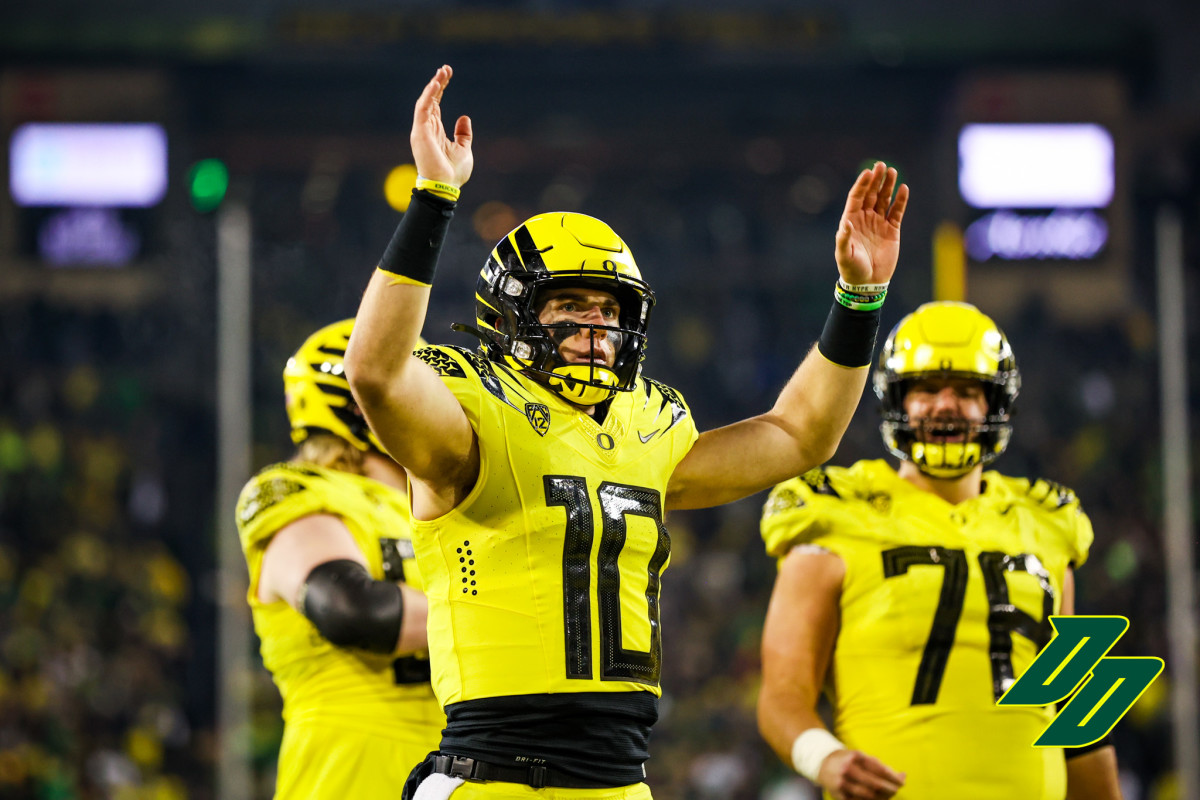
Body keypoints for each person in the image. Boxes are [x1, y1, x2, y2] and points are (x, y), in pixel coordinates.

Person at [343, 64, 908, 800]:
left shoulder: (648, 425)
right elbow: (375, 374)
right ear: (513, 316)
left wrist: (858, 300)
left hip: (620, 783)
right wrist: (433, 197)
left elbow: (800, 437)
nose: (596, 327)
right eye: (570, 305)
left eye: (610, 311)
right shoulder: (472, 413)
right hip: (495, 778)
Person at [757, 301, 1122, 800]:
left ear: (994, 404)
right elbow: (782, 695)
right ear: (898, 401)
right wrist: (823, 758)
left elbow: (1077, 718)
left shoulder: (1047, 522)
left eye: (967, 391)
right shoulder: (837, 511)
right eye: (926, 389)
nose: (945, 404)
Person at [234, 319, 443, 799]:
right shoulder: (300, 489)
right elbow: (351, 609)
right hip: (351, 767)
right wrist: (503, 619)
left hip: (464, 765)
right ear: (361, 402)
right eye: (418, 385)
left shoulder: (448, 509)